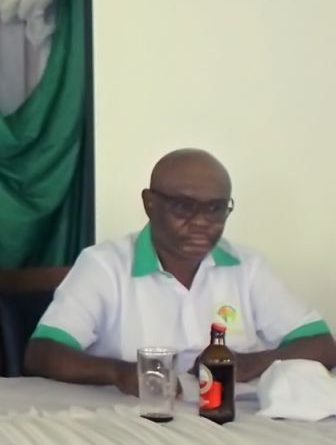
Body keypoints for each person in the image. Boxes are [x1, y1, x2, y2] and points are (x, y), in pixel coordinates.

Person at [25, 149, 336, 395]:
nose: (201, 221)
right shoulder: (104, 265)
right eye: (184, 207)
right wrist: (120, 372)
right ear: (150, 204)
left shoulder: (247, 267)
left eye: (215, 208)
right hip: (133, 421)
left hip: (234, 423)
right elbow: (43, 353)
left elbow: (322, 344)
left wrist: (249, 364)